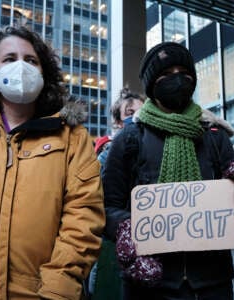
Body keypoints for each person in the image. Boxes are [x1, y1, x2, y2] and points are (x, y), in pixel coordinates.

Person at [102, 42, 234, 300]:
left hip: (212, 282)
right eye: (166, 74)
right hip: (150, 284)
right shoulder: (129, 139)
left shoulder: (215, 137)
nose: (177, 79)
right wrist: (131, 229)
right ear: (152, 84)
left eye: (183, 73)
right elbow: (107, 206)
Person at [0, 26, 105, 299]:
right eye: (9, 59)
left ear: (43, 72)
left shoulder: (73, 137)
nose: (21, 66)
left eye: (31, 60)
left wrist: (56, 291)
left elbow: (83, 220)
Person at [89, 87, 144, 300]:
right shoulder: (108, 154)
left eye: (142, 110)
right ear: (119, 122)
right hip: (115, 241)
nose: (137, 116)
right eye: (130, 113)